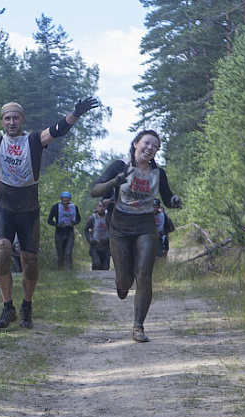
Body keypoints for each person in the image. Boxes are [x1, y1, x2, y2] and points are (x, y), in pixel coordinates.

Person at [0, 84, 98, 330]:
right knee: (2, 253)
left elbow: (58, 129)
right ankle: (7, 308)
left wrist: (75, 113)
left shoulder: (34, 140)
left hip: (29, 210)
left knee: (30, 261)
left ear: (22, 119)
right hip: (4, 207)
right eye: (7, 118)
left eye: (15, 118)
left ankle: (27, 306)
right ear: (2, 121)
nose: (12, 122)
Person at [90, 129, 181, 343]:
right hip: (120, 228)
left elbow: (166, 197)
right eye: (147, 143)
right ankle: (122, 284)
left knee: (144, 274)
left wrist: (174, 200)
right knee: (125, 282)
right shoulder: (120, 166)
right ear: (135, 144)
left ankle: (138, 326)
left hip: (145, 227)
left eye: (155, 146)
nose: (150, 148)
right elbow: (95, 190)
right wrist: (115, 182)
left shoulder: (158, 172)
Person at [47, 191, 80, 269]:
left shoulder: (74, 207)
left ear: (69, 200)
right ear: (61, 199)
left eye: (67, 201)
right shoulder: (55, 207)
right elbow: (49, 220)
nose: (65, 203)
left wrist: (74, 222)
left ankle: (69, 270)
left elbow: (79, 219)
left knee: (68, 253)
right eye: (64, 201)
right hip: (59, 233)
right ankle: (60, 271)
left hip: (70, 232)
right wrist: (57, 224)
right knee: (60, 255)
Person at [83, 199, 111, 270]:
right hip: (95, 246)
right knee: (96, 264)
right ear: (97, 207)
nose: (102, 208)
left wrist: (109, 238)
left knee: (105, 268)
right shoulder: (92, 218)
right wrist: (90, 239)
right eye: (100, 206)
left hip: (106, 246)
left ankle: (103, 280)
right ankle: (94, 278)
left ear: (106, 208)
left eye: (103, 207)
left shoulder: (109, 218)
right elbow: (86, 229)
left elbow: (114, 230)